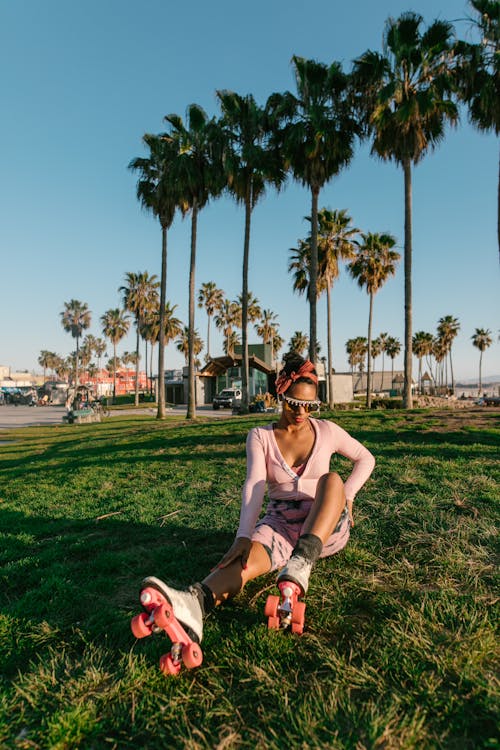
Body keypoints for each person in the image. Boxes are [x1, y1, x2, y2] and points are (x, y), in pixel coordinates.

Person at [141, 354, 375, 646]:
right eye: (294, 403)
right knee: (243, 559)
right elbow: (254, 484)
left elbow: (366, 458)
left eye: (310, 406)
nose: (301, 412)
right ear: (280, 394)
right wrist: (243, 536)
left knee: (332, 480)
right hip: (280, 524)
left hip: (325, 525)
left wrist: (348, 495)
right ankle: (194, 603)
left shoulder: (327, 430)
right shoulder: (260, 436)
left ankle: (302, 562)